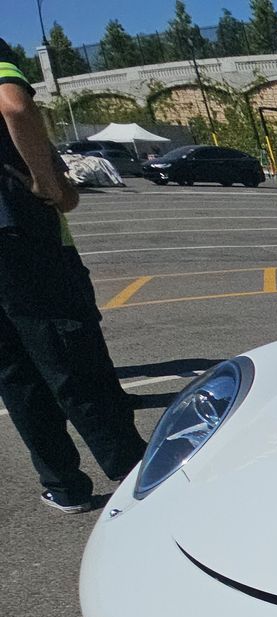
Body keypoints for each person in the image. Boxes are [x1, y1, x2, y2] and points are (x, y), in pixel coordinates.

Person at [0, 52, 145, 513]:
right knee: (70, 353)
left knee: (15, 372)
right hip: (21, 238)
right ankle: (132, 471)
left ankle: (63, 484)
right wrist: (46, 181)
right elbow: (14, 106)